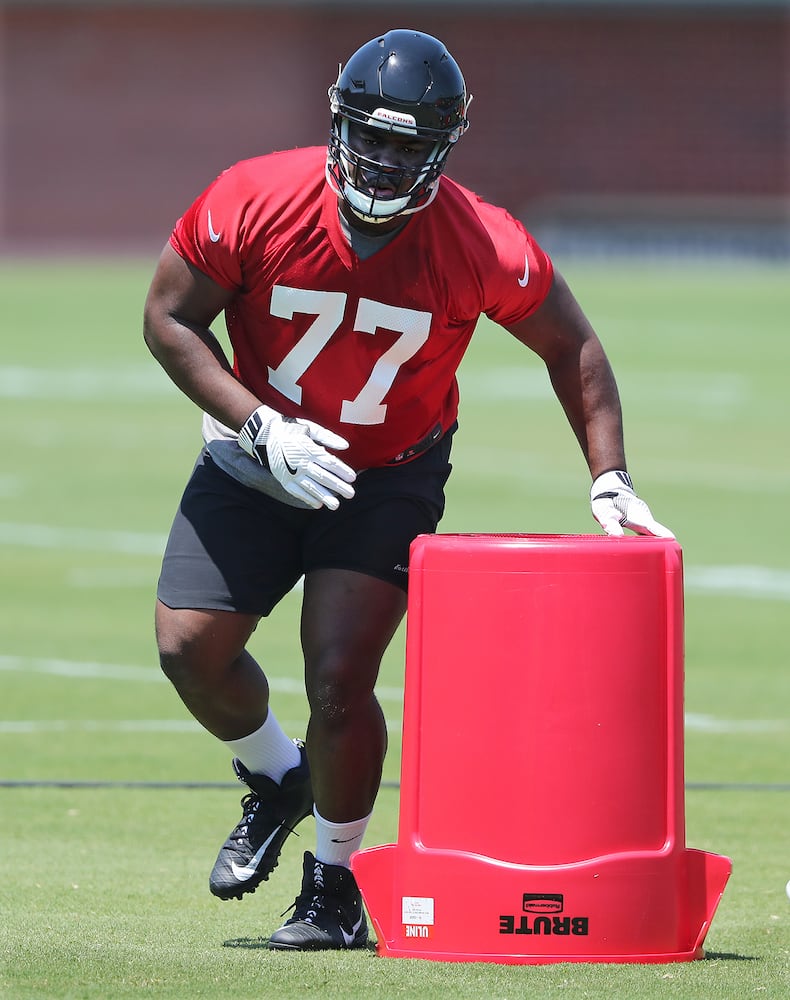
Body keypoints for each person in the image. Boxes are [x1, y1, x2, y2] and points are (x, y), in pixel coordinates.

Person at [142, 28, 673, 952]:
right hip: (256, 453)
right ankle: (277, 776)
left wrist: (611, 475)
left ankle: (335, 884)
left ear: (445, 146)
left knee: (341, 676)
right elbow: (168, 319)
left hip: (389, 472)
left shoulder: (481, 240)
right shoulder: (255, 196)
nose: (386, 161)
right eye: (372, 137)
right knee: (190, 650)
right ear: (339, 125)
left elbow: (572, 346)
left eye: (410, 144)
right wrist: (259, 424)